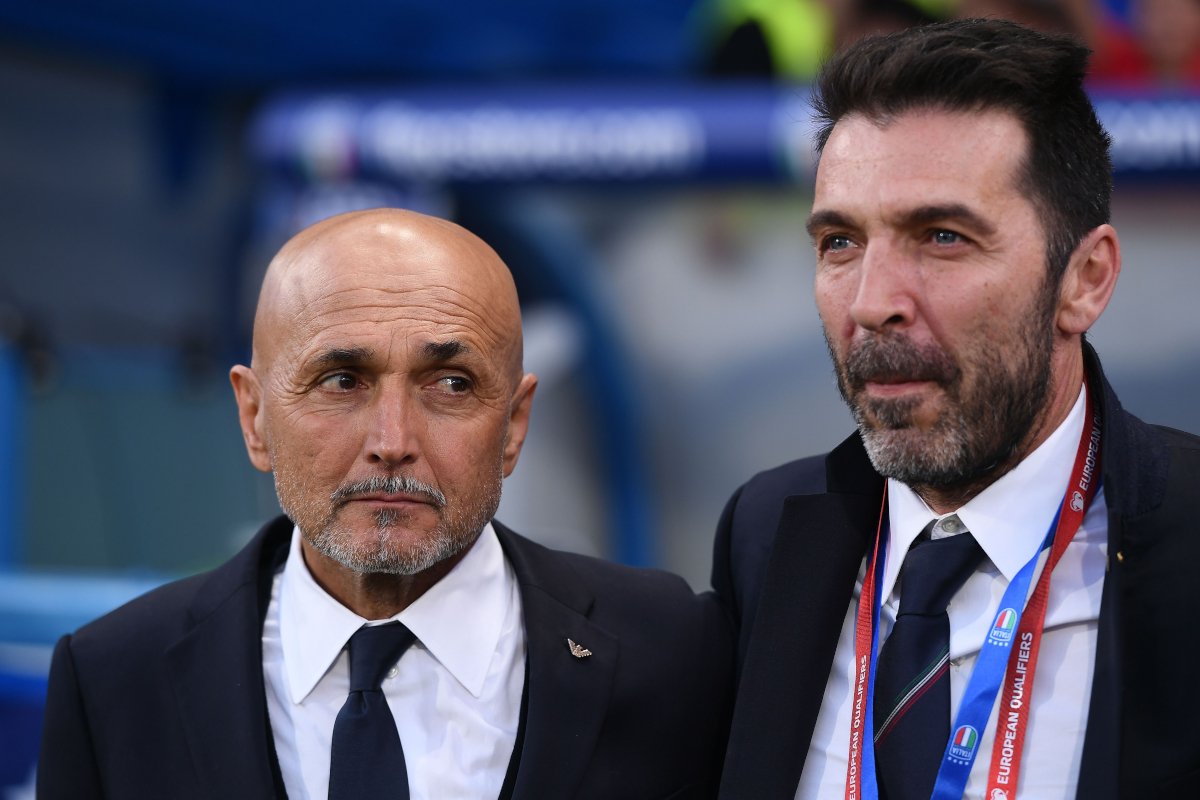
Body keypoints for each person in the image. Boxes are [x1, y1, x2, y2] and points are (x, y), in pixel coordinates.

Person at [38, 208, 733, 800]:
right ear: (254, 418)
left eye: (452, 384)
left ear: (514, 425)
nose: (391, 442)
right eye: (342, 380)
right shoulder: (115, 681)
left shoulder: (672, 652)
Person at [712, 19, 1200, 800]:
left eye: (941, 236)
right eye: (839, 242)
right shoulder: (767, 534)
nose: (872, 304)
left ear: (1085, 279)